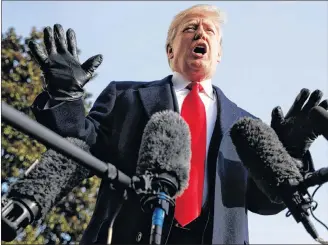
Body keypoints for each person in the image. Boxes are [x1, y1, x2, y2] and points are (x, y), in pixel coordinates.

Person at [28, 4, 327, 245]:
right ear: (170, 51)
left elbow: (263, 202)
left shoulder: (247, 125)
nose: (201, 33)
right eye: (190, 28)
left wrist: (292, 154)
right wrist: (66, 98)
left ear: (219, 53)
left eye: (210, 30)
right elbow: (79, 144)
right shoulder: (125, 96)